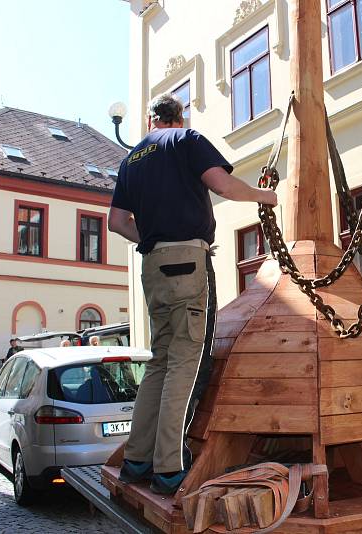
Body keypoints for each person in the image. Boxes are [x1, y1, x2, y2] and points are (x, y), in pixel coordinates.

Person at [108, 92, 277, 495]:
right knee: (185, 361)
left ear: (151, 120)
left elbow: (116, 221)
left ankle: (136, 460)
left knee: (160, 361)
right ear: (178, 117)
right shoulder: (186, 139)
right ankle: (169, 467)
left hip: (153, 266)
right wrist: (263, 196)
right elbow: (220, 184)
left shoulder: (130, 159)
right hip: (188, 262)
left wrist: (152, 237)